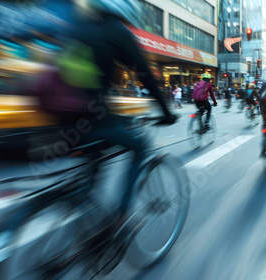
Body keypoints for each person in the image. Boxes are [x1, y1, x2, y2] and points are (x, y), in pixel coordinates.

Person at [45, 0, 178, 221]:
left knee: (97, 150)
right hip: (92, 119)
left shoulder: (78, 25)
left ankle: (83, 207)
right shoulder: (117, 31)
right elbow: (144, 74)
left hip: (60, 119)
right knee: (140, 146)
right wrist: (166, 112)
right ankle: (121, 217)